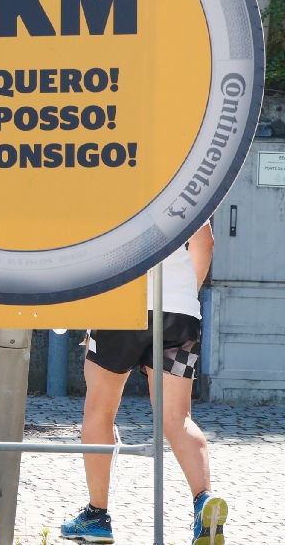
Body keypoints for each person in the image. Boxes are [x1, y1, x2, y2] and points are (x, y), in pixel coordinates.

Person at [60, 222, 226, 545]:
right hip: (178, 309)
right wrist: (182, 294)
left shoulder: (111, 172)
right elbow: (204, 241)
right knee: (177, 418)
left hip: (119, 305)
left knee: (99, 410)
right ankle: (204, 501)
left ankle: (96, 516)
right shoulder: (179, 174)